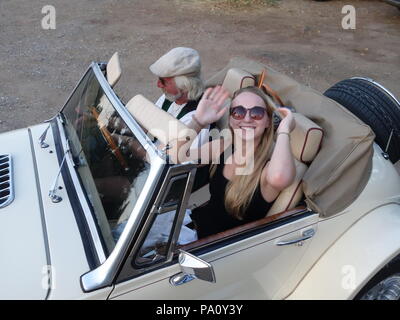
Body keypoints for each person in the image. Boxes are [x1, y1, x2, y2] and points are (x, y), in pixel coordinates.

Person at [172, 85, 296, 238]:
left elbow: (280, 177)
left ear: (268, 122)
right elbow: (177, 157)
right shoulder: (224, 146)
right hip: (189, 229)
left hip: (210, 248)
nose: (247, 118)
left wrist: (284, 130)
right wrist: (198, 121)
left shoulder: (268, 168)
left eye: (257, 113)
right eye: (239, 112)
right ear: (230, 120)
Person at [149, 47, 210, 149]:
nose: (158, 85)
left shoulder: (196, 116)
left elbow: (175, 161)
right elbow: (148, 122)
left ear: (184, 86)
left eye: (163, 81)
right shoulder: (168, 97)